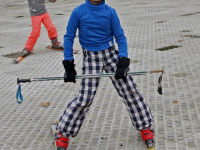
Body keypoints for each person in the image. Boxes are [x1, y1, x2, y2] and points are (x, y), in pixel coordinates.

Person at [54, 0, 155, 149]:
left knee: (130, 90)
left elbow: (120, 37)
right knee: (84, 98)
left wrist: (123, 61)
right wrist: (68, 64)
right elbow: (69, 37)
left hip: (110, 54)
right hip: (91, 57)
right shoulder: (79, 11)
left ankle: (144, 125)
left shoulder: (110, 12)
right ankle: (63, 132)